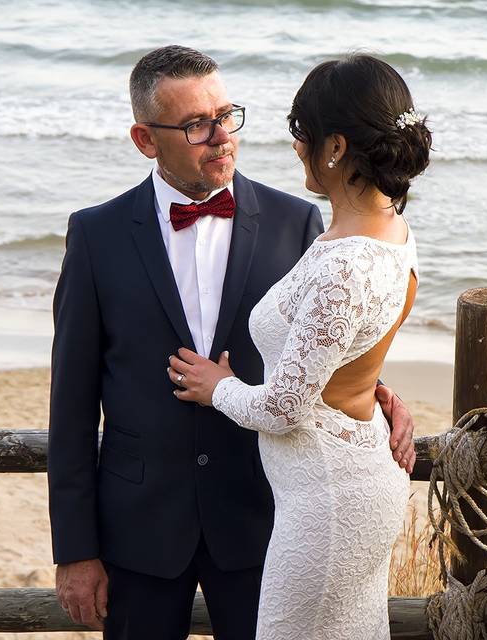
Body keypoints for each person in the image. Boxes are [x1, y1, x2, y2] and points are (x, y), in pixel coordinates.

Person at [48, 46, 417, 640]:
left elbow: (331, 337)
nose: (222, 136)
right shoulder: (96, 235)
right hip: (140, 528)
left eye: (227, 115)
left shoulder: (299, 222)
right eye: (197, 124)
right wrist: (75, 548)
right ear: (146, 139)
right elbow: (68, 402)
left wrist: (372, 391)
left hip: (264, 519)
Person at [167, 54, 432, 640]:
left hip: (329, 502)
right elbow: (352, 346)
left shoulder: (345, 262)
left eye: (300, 134)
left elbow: (287, 409)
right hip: (346, 482)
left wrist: (220, 389)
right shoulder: (382, 231)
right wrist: (377, 388)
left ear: (335, 146)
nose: (295, 148)